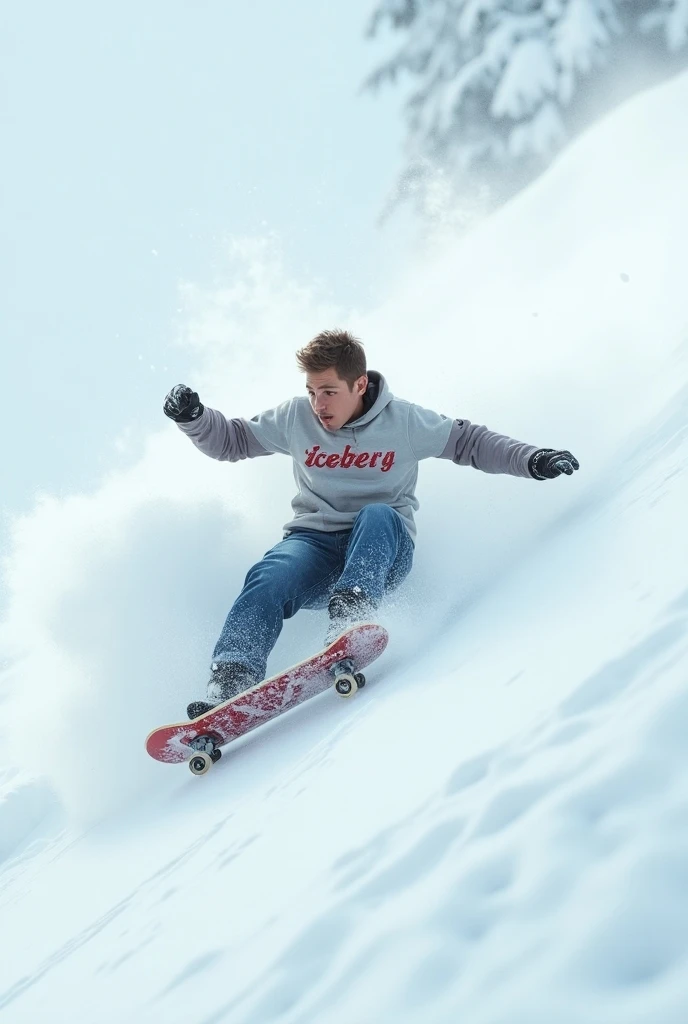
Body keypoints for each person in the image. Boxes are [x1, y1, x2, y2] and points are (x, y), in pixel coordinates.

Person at [163, 329, 579, 717]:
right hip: (315, 545)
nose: (318, 405)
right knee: (269, 574)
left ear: (359, 385)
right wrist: (194, 418)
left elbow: (470, 442)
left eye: (328, 392)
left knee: (377, 513)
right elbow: (233, 440)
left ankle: (351, 616)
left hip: (382, 551)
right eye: (311, 392)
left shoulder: (405, 422)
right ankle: (231, 679)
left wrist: (533, 459)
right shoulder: (296, 419)